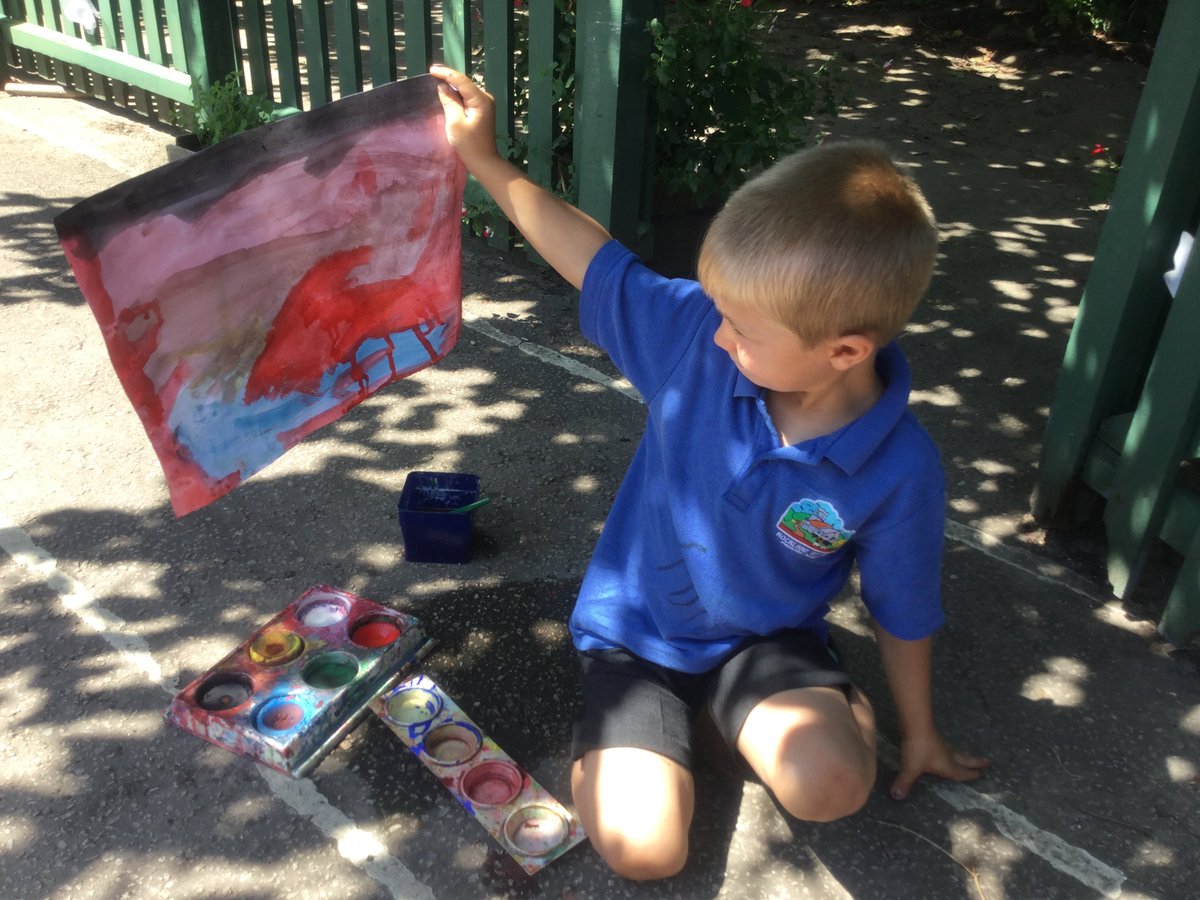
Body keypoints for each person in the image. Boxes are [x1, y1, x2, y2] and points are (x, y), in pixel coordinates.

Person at [429, 65, 987, 881]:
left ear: (844, 351)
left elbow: (903, 609)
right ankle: (678, 738)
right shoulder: (698, 336)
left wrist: (922, 730)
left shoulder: (900, 466)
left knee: (832, 788)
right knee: (644, 853)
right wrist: (483, 159)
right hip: (636, 638)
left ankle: (779, 716)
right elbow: (594, 258)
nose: (721, 335)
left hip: (765, 643)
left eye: (743, 329)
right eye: (720, 311)